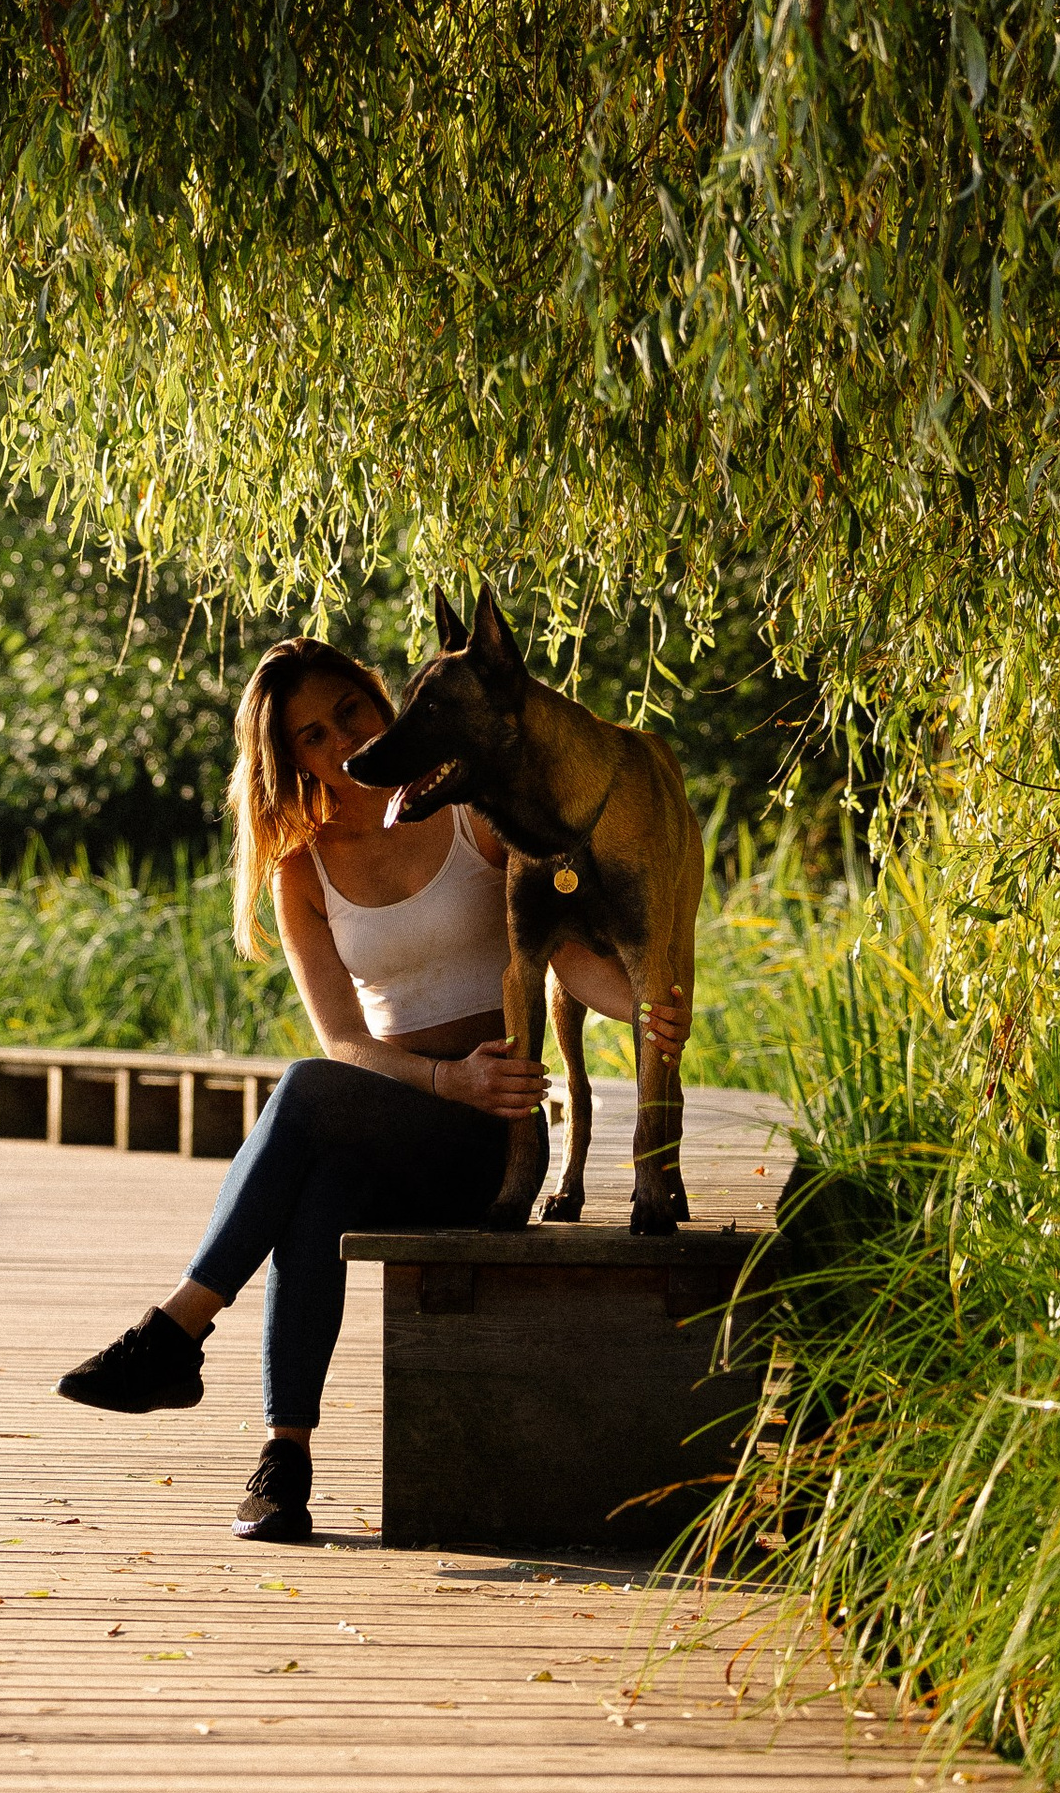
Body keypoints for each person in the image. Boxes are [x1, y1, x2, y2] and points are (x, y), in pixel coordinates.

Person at [53, 634, 690, 1546]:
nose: (339, 739)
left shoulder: (469, 815)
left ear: (381, 700)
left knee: (307, 1094)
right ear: (290, 757)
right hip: (400, 1117)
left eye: (350, 711)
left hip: (496, 1139)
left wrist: (643, 1009)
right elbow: (347, 1041)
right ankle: (285, 1465)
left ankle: (179, 1332)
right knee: (321, 1180)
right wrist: (441, 1078)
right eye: (311, 735)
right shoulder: (300, 869)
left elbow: (563, 957)